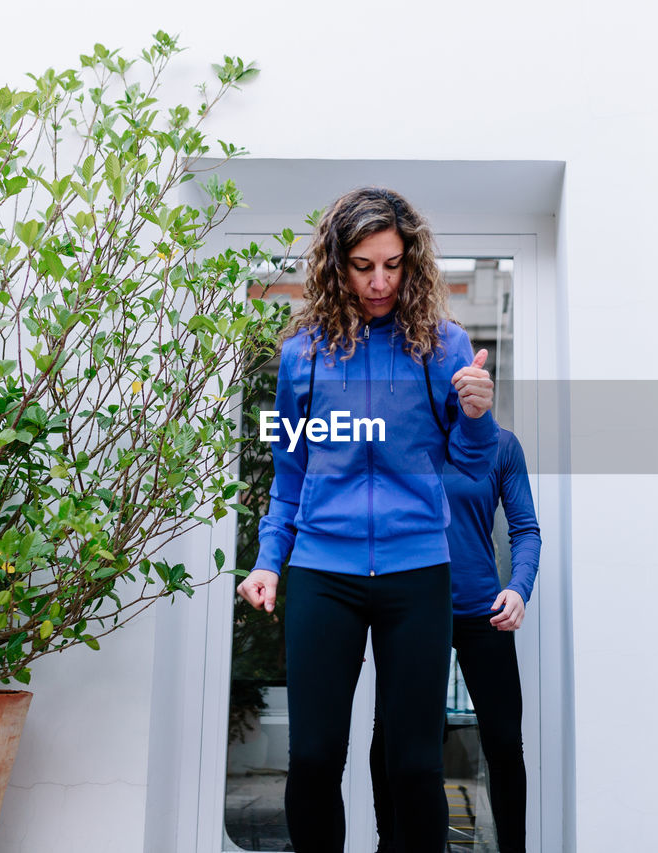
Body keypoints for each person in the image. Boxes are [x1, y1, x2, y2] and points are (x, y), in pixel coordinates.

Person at [236, 186, 499, 853]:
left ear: (412, 260)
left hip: (418, 573)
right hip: (326, 571)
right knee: (316, 758)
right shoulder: (306, 354)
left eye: (392, 263)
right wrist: (270, 559)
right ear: (336, 264)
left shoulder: (443, 345)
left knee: (414, 764)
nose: (380, 281)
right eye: (362, 265)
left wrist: (476, 412)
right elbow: (288, 474)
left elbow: (469, 464)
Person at [370, 427, 541, 853]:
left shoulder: (501, 445)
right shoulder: (404, 437)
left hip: (484, 609)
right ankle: (392, 843)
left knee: (503, 742)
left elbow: (525, 529)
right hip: (412, 607)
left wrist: (518, 588)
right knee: (392, 735)